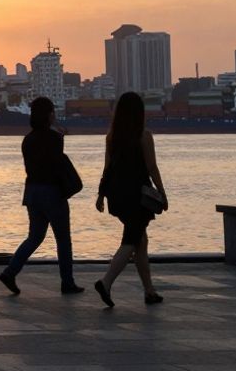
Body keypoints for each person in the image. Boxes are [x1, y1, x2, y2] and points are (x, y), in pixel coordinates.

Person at [0, 97, 84, 295]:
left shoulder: (27, 140)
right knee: (63, 239)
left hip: (32, 193)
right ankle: (67, 282)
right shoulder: (54, 139)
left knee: (35, 236)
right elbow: (56, 166)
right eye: (52, 111)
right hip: (52, 192)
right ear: (49, 115)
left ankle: (10, 271)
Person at [93, 91, 167, 308]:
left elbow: (107, 168)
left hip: (117, 196)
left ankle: (149, 291)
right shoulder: (144, 136)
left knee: (140, 241)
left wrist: (100, 194)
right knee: (131, 241)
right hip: (138, 198)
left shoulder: (111, 136)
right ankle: (105, 282)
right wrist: (162, 193)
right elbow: (152, 168)